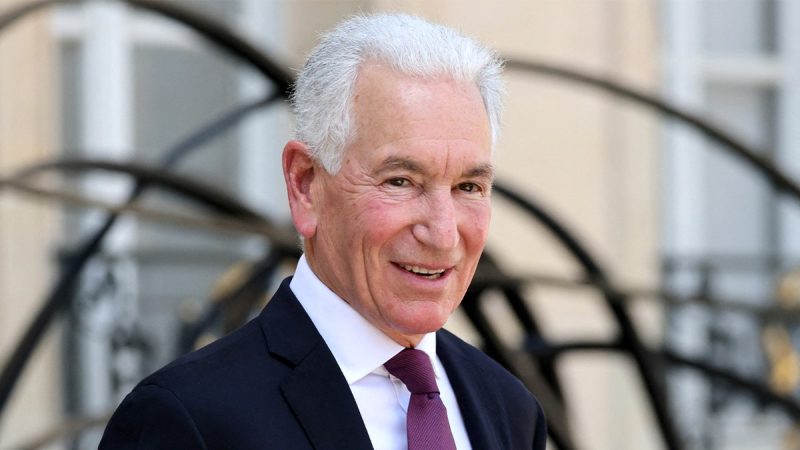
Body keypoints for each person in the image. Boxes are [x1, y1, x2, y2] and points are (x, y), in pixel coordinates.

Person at [100, 13, 547, 449]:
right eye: (400, 182)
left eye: (468, 187)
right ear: (305, 185)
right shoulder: (188, 418)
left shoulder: (510, 409)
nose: (443, 233)